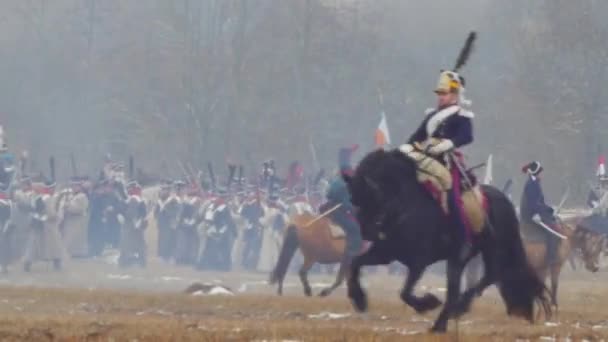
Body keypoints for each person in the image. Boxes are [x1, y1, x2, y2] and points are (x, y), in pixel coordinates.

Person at [398, 70, 475, 243]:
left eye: (444, 93)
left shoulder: (461, 115)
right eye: (439, 93)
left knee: (453, 195)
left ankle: (461, 238)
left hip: (448, 161)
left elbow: (467, 136)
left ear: (455, 95)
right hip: (424, 159)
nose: (440, 97)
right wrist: (407, 148)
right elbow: (416, 137)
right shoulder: (432, 116)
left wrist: (448, 144)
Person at [319, 145, 362, 265]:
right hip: (338, 212)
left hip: (335, 209)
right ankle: (351, 252)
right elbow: (346, 203)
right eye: (350, 171)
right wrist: (353, 208)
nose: (351, 172)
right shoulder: (343, 183)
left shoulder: (336, 180)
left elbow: (329, 195)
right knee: (355, 227)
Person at [520, 161, 563, 265]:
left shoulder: (535, 183)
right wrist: (536, 213)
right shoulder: (531, 184)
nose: (541, 174)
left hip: (537, 213)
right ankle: (551, 259)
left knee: (555, 222)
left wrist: (551, 210)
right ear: (536, 172)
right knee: (553, 232)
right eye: (540, 172)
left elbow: (541, 202)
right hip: (531, 216)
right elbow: (532, 202)